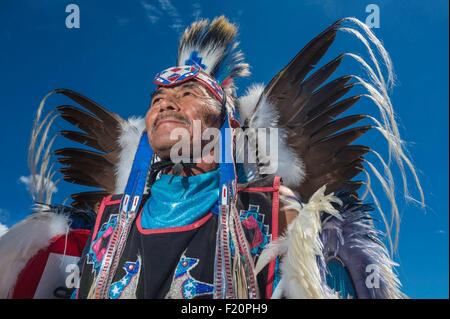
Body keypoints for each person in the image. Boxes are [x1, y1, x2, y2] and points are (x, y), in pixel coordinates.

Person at [0, 16, 423, 299]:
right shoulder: (106, 222)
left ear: (228, 126)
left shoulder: (275, 213)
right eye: (158, 98)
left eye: (186, 94)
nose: (165, 104)